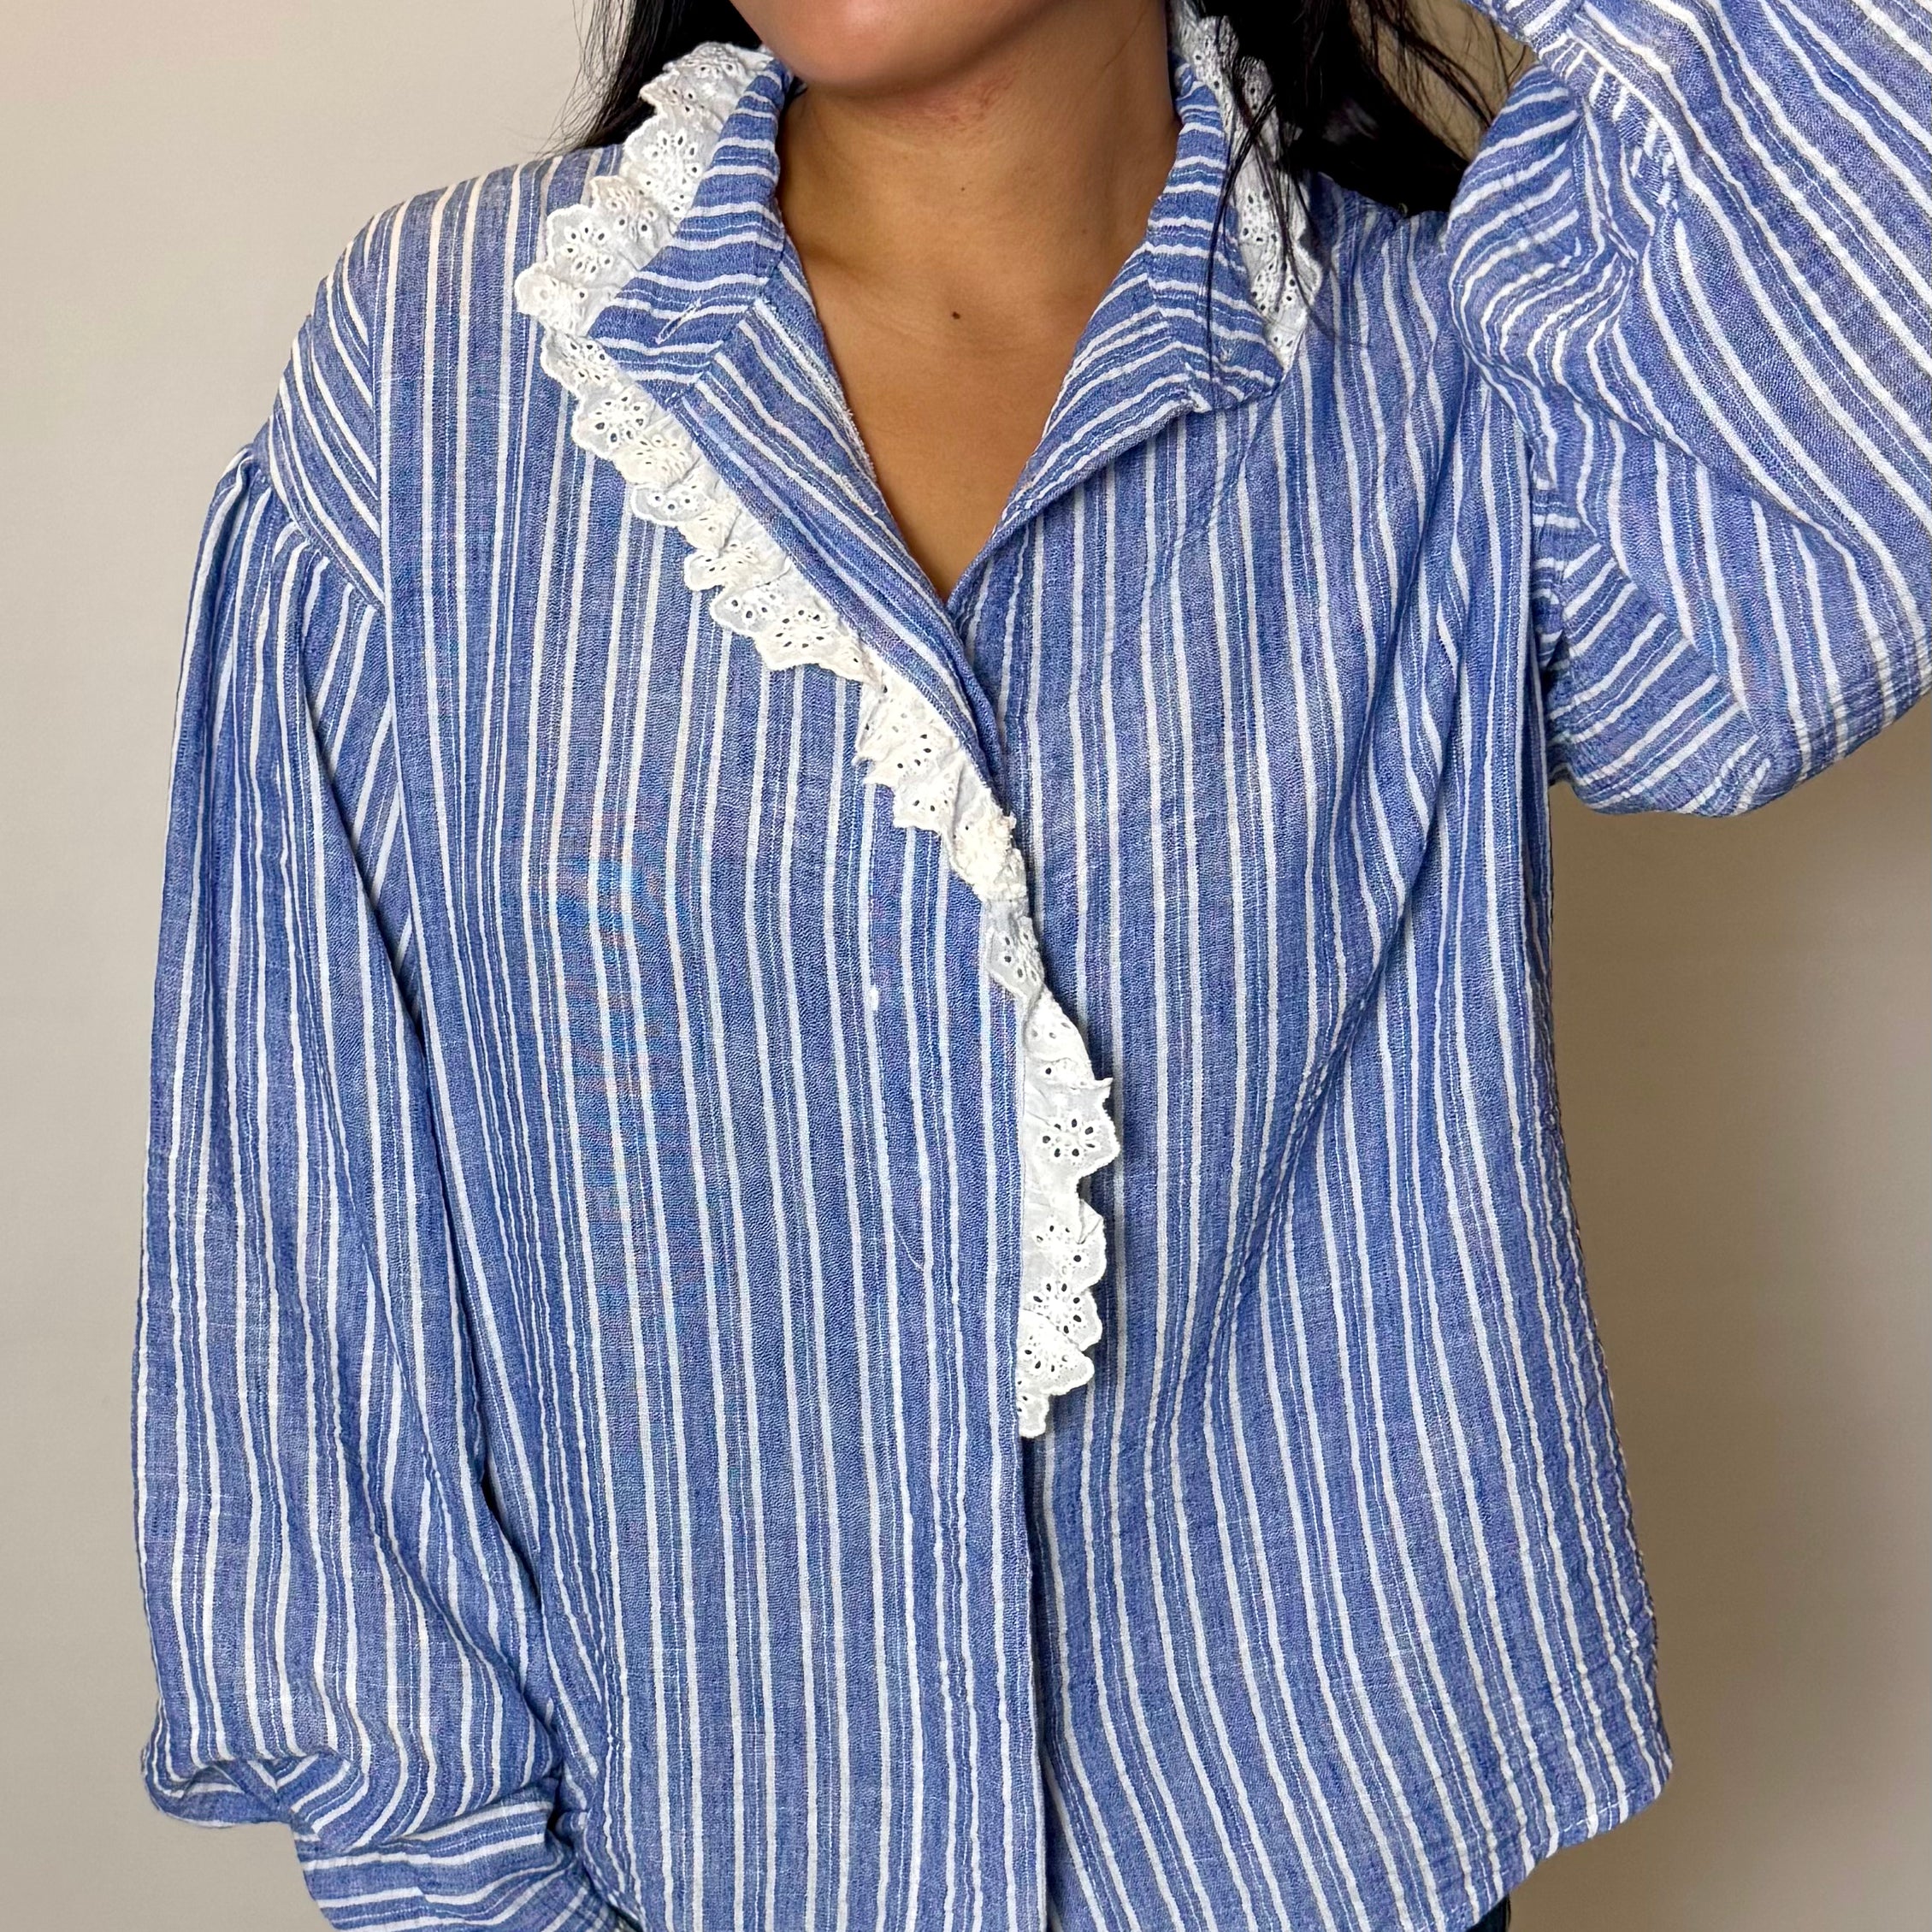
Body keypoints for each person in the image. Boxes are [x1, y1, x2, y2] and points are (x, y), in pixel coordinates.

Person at [130, 0, 1927, 1928]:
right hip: (687, 1872)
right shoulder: (441, 372)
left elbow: (1793, 581)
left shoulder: (1459, 372)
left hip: (1330, 1852)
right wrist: (452, 1880)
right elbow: (296, 1237)